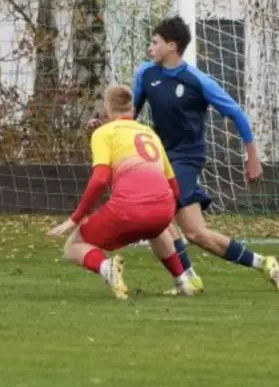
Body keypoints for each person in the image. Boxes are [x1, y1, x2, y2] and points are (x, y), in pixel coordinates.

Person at [131, 16, 279, 292]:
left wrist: (252, 155)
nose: (150, 47)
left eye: (155, 42)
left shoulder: (198, 80)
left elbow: (236, 113)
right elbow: (131, 115)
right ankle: (257, 264)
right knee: (189, 231)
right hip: (161, 158)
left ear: (171, 46)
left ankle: (191, 277)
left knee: (168, 220)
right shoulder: (146, 74)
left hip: (187, 158)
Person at [50, 85, 195, 299]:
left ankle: (106, 267)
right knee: (157, 230)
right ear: (132, 108)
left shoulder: (103, 133)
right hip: (163, 207)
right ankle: (183, 281)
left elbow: (100, 180)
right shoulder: (149, 132)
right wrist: (168, 216)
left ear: (108, 109)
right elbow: (173, 184)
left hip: (129, 210)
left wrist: (76, 218)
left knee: (73, 245)